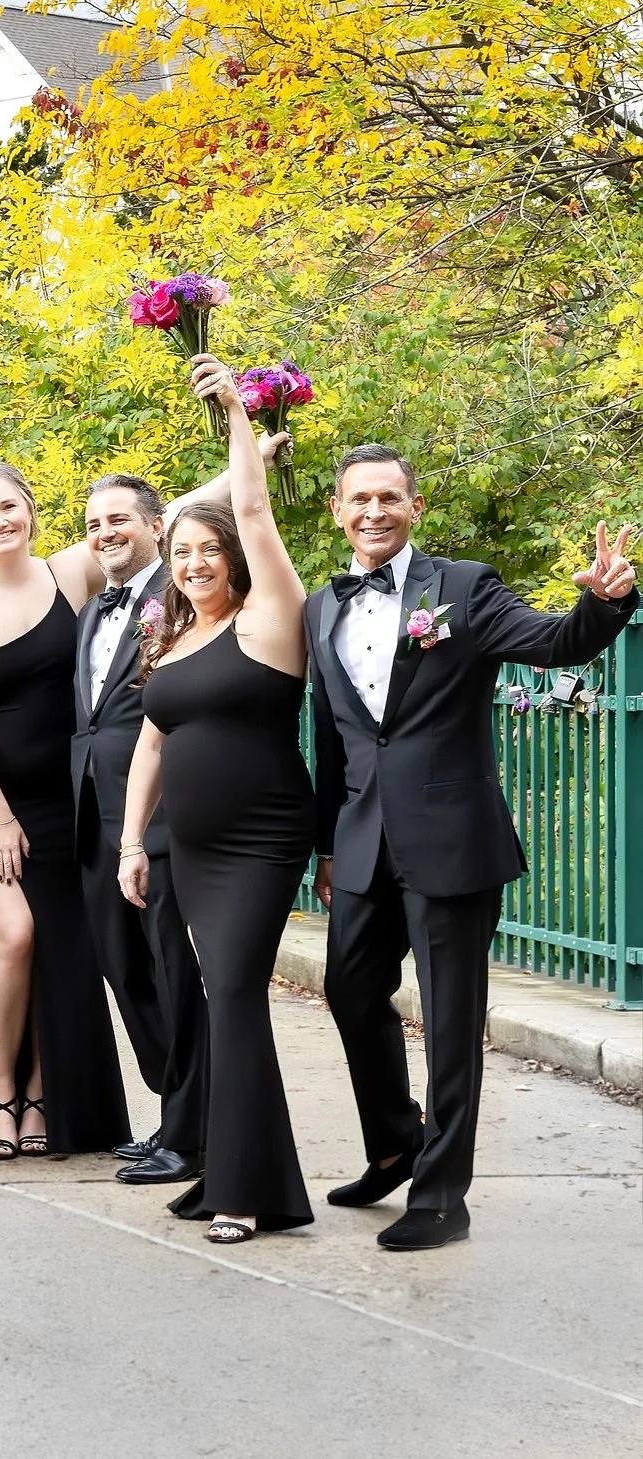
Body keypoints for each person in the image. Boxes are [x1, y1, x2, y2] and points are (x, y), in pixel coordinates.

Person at [307, 448, 636, 1250]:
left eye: (390, 497)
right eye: (361, 499)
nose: (375, 511)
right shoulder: (322, 606)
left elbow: (555, 642)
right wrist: (324, 848)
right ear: (337, 510)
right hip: (361, 841)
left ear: (415, 506)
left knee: (450, 1022)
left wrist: (602, 605)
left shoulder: (462, 587)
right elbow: (332, 738)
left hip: (451, 843)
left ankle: (442, 1196)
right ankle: (395, 1142)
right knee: (351, 991)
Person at [115, 355, 316, 1243]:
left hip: (261, 842)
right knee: (223, 997)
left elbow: (257, 507)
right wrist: (132, 843)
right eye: (180, 553)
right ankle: (256, 1178)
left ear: (235, 556)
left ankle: (237, 1190)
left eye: (208, 549)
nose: (194, 562)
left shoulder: (271, 614)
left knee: (231, 992)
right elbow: (151, 741)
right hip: (186, 849)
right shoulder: (177, 636)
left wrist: (237, 412)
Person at [0, 464, 133, 1159]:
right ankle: (1, 1091)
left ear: (33, 510)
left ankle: (45, 1094)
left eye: (10, 506)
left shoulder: (70, 572)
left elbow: (168, 513)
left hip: (71, 800)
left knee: (64, 945)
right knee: (13, 933)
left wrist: (248, 429)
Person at [73, 473, 210, 1186]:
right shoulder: (95, 609)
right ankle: (178, 1110)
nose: (105, 533)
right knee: (125, 971)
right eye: (94, 523)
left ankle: (195, 1130)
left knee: (173, 973)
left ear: (158, 526)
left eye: (119, 519)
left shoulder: (184, 597)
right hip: (92, 816)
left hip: (158, 816)